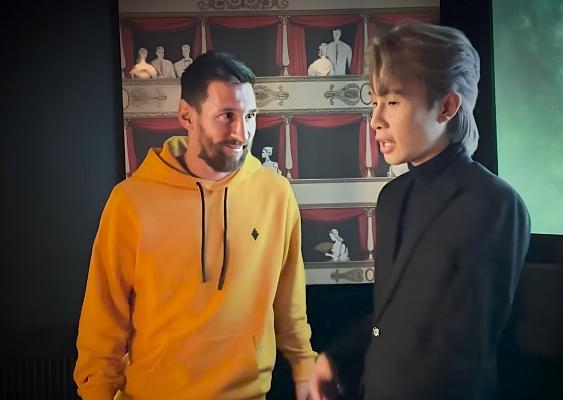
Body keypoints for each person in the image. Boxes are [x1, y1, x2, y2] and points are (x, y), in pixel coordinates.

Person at [74, 50, 317, 400]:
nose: (242, 132)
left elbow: (289, 298)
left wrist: (304, 365)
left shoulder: (275, 194)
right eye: (227, 116)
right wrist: (97, 391)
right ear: (187, 116)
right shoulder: (131, 200)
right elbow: (103, 315)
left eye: (250, 116)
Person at [310, 21, 530, 400]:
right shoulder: (392, 196)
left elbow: (464, 357)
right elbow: (393, 316)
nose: (375, 120)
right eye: (374, 102)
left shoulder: (494, 204)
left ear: (446, 106)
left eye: (393, 102)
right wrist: (336, 356)